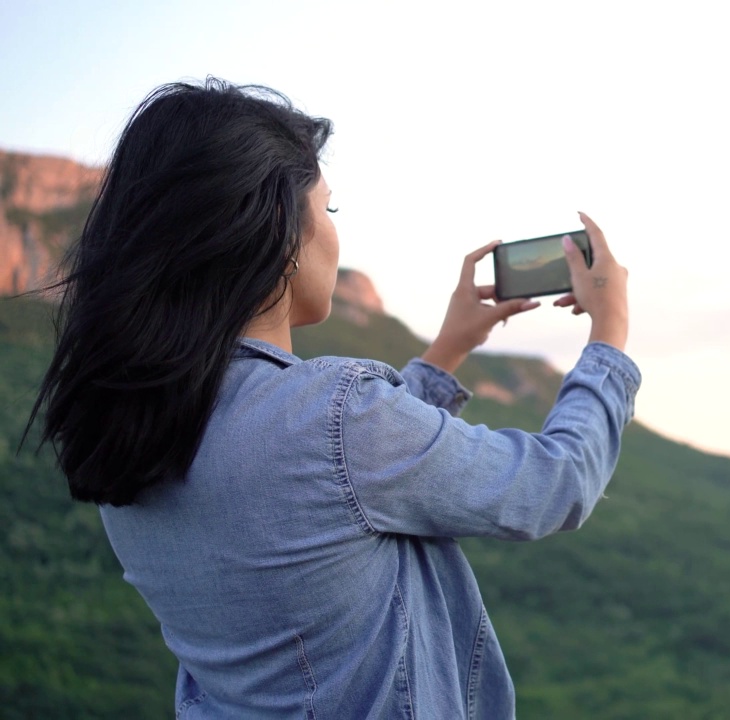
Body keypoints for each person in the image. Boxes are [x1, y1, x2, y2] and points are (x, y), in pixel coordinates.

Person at [28, 78, 639, 718]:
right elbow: (553, 484)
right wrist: (610, 336)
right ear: (277, 233)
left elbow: (328, 483)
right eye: (329, 209)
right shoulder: (338, 417)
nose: (335, 235)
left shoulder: (122, 428)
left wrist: (445, 352)